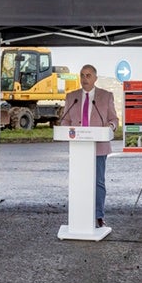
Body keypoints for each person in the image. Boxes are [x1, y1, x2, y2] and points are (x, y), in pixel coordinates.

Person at [60, 64, 118, 227]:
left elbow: (114, 120)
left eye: (88, 75)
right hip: (78, 148)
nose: (85, 79)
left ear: (95, 78)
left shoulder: (106, 96)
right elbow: (65, 120)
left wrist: (110, 127)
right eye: (82, 75)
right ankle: (79, 214)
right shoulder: (72, 97)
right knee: (78, 181)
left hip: (98, 147)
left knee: (98, 182)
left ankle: (98, 215)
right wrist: (65, 129)